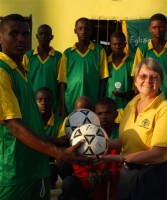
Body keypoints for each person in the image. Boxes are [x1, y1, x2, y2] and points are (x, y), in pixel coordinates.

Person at [0, 14, 93, 200]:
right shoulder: (2, 72)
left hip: (35, 168)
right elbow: (14, 127)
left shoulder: (20, 70)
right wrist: (59, 153)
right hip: (16, 172)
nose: (21, 38)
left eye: (25, 34)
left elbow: (26, 121)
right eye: (14, 33)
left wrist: (51, 140)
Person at [100, 58, 167, 200]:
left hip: (151, 178)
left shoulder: (164, 109)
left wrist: (119, 158)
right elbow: (126, 141)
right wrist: (98, 143)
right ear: (135, 81)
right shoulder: (131, 104)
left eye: (154, 77)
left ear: (161, 81)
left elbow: (157, 154)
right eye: (143, 76)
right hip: (127, 175)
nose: (148, 81)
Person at [58, 97, 120, 200]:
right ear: (94, 115)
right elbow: (79, 165)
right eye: (99, 114)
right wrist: (88, 176)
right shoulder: (86, 133)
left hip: (115, 181)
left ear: (116, 114)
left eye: (108, 113)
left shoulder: (123, 132)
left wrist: (111, 174)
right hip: (92, 181)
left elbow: (127, 164)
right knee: (69, 183)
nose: (104, 117)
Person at [58, 17, 109, 117]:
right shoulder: (67, 53)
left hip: (92, 102)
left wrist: (99, 102)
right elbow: (62, 82)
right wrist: (63, 107)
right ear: (75, 31)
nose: (83, 31)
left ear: (91, 30)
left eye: (86, 29)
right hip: (72, 102)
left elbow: (103, 79)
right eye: (80, 28)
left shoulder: (99, 51)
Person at [24, 24, 62, 112]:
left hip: (52, 104)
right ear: (37, 36)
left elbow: (61, 84)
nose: (43, 36)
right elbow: (23, 81)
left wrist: (60, 104)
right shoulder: (28, 56)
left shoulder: (58, 57)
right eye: (41, 34)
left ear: (51, 37)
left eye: (46, 34)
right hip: (32, 103)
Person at [35, 87, 66, 189]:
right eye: (40, 100)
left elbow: (62, 142)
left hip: (50, 159)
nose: (43, 103)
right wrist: (53, 140)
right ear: (35, 102)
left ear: (53, 102)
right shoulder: (30, 119)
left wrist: (38, 136)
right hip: (33, 158)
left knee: (50, 178)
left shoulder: (60, 121)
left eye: (47, 100)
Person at [132, 13, 167, 99]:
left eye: (161, 27)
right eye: (154, 27)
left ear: (166, 27)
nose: (157, 30)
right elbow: (136, 74)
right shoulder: (142, 49)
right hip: (148, 96)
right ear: (150, 29)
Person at [106, 31, 134, 109]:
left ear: (125, 44)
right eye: (114, 44)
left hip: (126, 105)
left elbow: (135, 82)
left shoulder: (131, 61)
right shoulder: (106, 62)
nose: (117, 47)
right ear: (110, 45)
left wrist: (129, 94)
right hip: (109, 105)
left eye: (120, 44)